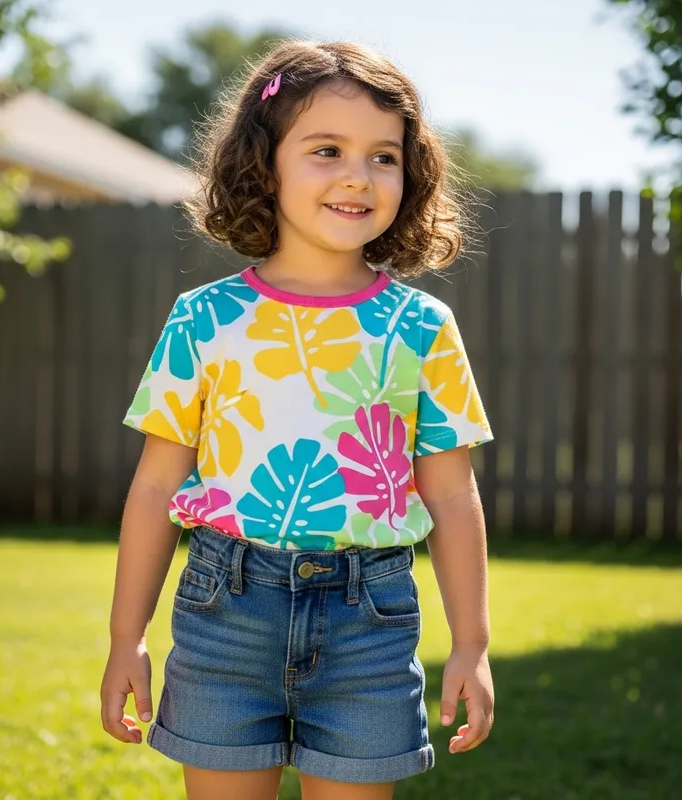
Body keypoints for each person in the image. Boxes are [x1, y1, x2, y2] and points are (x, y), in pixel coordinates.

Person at [100, 38, 495, 800]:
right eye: (327, 149)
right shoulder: (203, 320)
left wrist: (472, 643)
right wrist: (127, 638)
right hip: (224, 614)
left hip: (370, 627)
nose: (359, 175)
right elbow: (154, 490)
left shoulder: (423, 327)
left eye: (385, 156)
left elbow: (451, 495)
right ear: (264, 163)